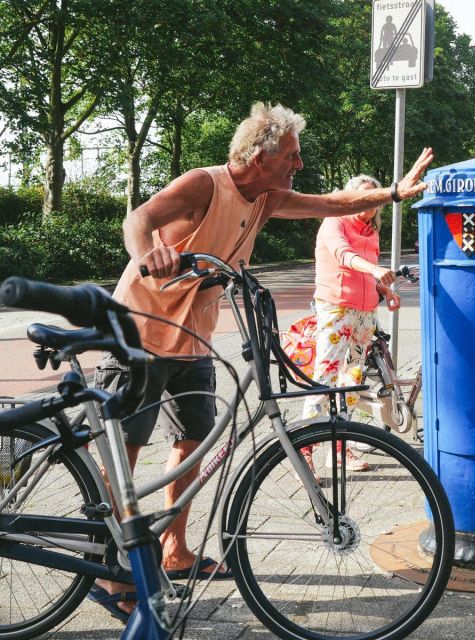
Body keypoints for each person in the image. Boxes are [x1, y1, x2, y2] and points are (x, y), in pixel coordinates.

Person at [91, 102, 433, 620]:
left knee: (192, 440)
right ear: (258, 155)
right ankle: (108, 566)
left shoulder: (266, 199)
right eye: (291, 155)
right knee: (125, 449)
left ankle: (174, 550)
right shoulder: (203, 185)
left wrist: (391, 193)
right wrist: (147, 255)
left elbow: (328, 204)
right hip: (140, 331)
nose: (297, 165)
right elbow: (138, 218)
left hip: (192, 337)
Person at [301, 174, 400, 473]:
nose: (368, 205)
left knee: (351, 383)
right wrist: (375, 269)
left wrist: (383, 290)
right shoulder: (335, 222)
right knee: (325, 379)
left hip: (364, 314)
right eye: (362, 197)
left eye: (374, 199)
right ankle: (303, 450)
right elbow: (343, 256)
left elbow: (368, 275)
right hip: (337, 309)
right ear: (348, 196)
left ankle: (339, 448)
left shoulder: (371, 232)